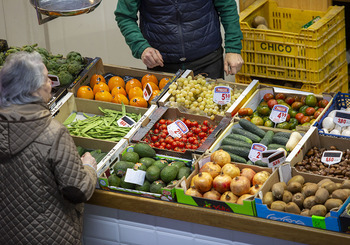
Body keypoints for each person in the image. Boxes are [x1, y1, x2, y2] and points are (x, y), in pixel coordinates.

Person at [0, 51, 97, 245]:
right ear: (33, 88)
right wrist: (89, 168)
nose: (50, 84)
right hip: (50, 235)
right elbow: (77, 190)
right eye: (46, 79)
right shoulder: (53, 133)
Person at [115, 0, 244, 79]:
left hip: (208, 61)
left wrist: (233, 48)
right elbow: (125, 16)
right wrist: (141, 48)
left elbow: (227, 6)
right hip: (162, 66)